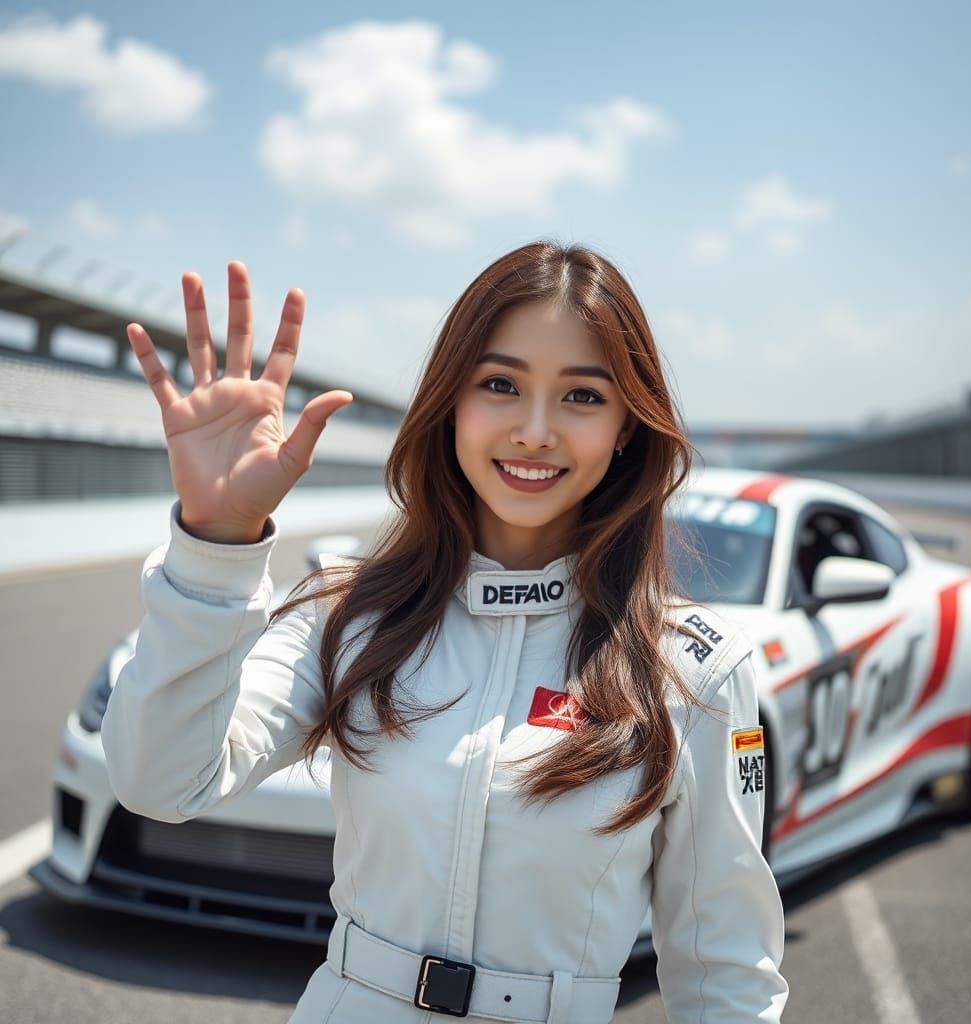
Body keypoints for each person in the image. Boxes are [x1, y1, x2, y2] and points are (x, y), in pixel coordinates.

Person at [101, 241, 790, 1023]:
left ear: (629, 426)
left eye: (583, 397)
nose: (534, 431)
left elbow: (727, 973)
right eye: (500, 385)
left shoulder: (694, 670)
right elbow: (159, 781)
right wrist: (215, 544)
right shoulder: (349, 614)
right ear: (450, 403)